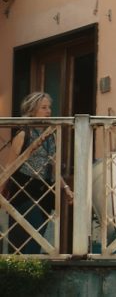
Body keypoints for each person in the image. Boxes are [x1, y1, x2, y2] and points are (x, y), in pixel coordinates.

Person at [4, 92, 72, 254]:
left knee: (37, 242)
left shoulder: (51, 137)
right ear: (32, 110)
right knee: (23, 242)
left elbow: (54, 168)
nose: (48, 111)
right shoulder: (23, 135)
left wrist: (66, 188)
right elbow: (9, 167)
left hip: (44, 194)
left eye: (49, 107)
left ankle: (30, 275)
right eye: (44, 108)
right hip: (24, 193)